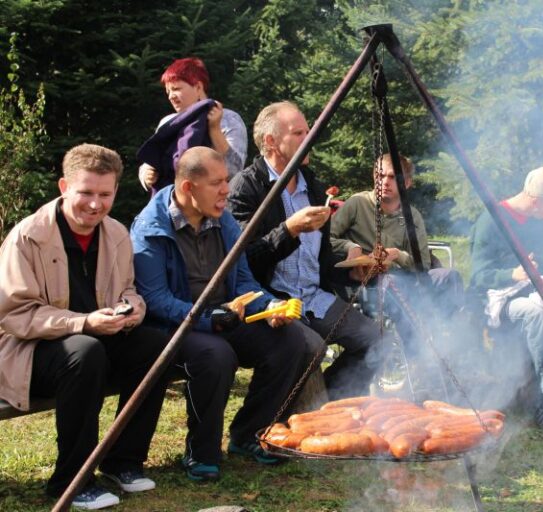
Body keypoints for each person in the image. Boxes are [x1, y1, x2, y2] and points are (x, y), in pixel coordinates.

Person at [0, 144, 169, 509]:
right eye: (86, 193)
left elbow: (127, 288)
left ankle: (122, 461)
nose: (95, 205)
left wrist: (133, 309)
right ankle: (71, 480)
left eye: (105, 194)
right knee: (85, 351)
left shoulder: (116, 233)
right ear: (64, 187)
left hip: (94, 337)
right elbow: (14, 315)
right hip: (29, 351)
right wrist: (83, 323)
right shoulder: (27, 237)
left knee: (156, 345)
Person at [131, 147, 313, 481]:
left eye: (226, 180)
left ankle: (249, 434)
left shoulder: (223, 219)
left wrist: (269, 305)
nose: (226, 190)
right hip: (175, 325)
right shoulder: (149, 228)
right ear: (188, 187)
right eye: (217, 183)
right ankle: (200, 452)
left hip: (226, 316)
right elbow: (155, 299)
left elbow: (243, 280)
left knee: (289, 341)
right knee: (216, 355)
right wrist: (209, 318)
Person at [228, 101, 385, 400]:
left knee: (376, 339)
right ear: (271, 142)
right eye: (299, 132)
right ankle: (293, 418)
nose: (309, 136)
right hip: (273, 301)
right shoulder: (247, 188)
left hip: (315, 298)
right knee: (311, 347)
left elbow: (318, 259)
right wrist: (290, 229)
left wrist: (351, 267)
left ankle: (334, 408)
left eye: (309, 129)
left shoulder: (312, 185)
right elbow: (243, 262)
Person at [468, 166, 543, 432]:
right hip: (498, 299)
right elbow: (478, 276)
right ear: (538, 202)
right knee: (541, 316)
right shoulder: (492, 220)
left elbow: (540, 271)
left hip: (533, 294)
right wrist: (511, 274)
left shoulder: (535, 223)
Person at [330, 153, 464, 354]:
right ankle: (417, 356)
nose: (385, 182)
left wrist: (398, 255)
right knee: (394, 283)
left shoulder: (412, 216)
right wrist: (350, 247)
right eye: (381, 175)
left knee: (449, 278)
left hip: (406, 279)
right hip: (367, 283)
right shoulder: (357, 204)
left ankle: (449, 341)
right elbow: (325, 239)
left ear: (407, 183)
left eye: (392, 177)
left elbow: (423, 264)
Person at [138, 57, 248, 193]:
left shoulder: (228, 119)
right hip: (171, 205)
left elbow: (234, 171)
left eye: (176, 88)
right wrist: (146, 173)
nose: (171, 96)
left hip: (216, 206)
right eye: (168, 92)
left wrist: (214, 130)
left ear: (198, 87)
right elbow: (151, 161)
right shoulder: (168, 122)